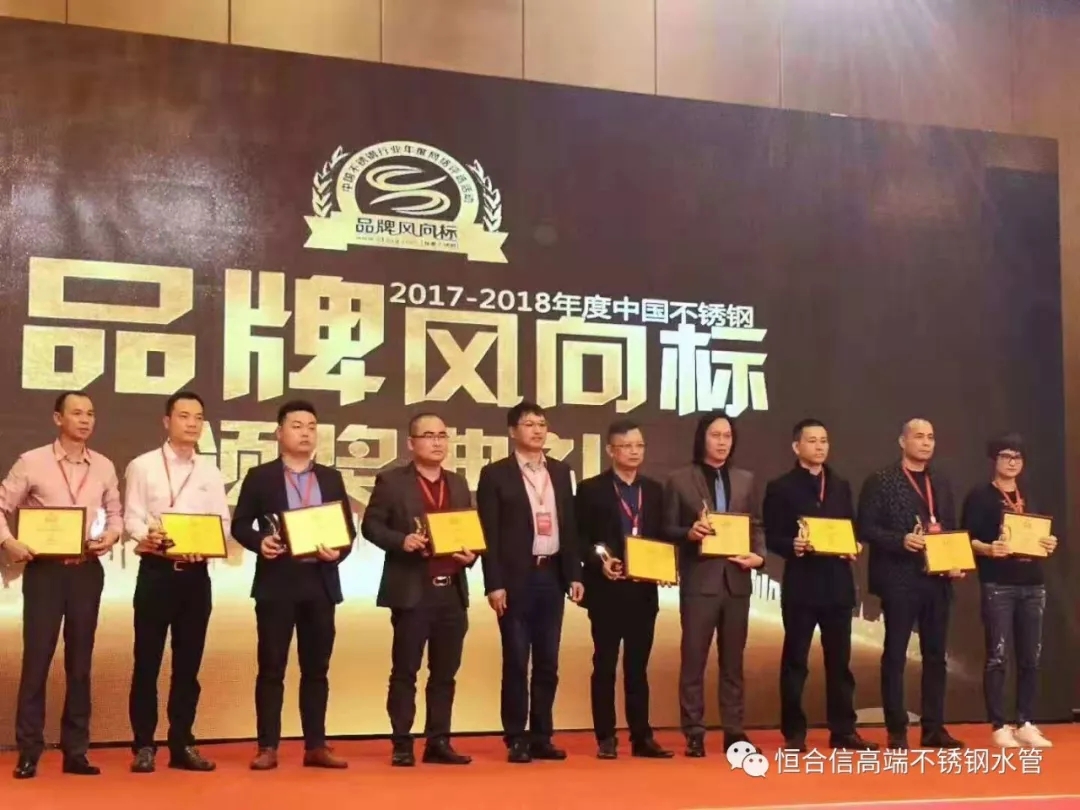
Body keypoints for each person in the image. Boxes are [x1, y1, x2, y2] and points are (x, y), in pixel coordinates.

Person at [0, 391, 123, 779]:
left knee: (80, 663)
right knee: (37, 660)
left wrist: (111, 537)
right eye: (77, 413)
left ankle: (76, 751)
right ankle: (29, 750)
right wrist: (9, 542)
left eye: (91, 413)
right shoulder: (32, 461)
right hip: (46, 572)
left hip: (86, 570)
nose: (85, 420)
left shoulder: (103, 465)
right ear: (58, 418)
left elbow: (116, 514)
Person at [231, 400, 354, 770]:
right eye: (297, 426)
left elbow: (347, 531)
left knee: (317, 669)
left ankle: (316, 745)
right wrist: (260, 542)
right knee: (272, 667)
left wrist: (338, 552)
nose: (306, 433)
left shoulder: (331, 478)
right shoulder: (260, 476)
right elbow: (240, 524)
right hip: (277, 584)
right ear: (279, 433)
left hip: (320, 583)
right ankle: (267, 746)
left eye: (312, 427)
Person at [362, 412, 477, 767]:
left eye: (442, 435)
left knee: (445, 673)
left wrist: (472, 555)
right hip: (412, 590)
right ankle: (402, 742)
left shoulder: (458, 483)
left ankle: (438, 741)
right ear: (411, 443)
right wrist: (402, 540)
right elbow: (371, 526)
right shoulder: (392, 482)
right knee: (405, 671)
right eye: (428, 436)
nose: (437, 442)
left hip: (451, 591)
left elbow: (468, 530)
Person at [123, 391, 230, 773]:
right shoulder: (143, 466)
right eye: (184, 416)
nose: (192, 423)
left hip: (195, 577)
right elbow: (131, 517)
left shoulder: (210, 472)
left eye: (198, 417)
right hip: (156, 573)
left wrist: (209, 546)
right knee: (147, 662)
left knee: (188, 665)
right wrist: (146, 535)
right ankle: (143, 745)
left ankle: (182, 743)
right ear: (167, 421)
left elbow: (223, 522)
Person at [477, 401, 584, 763]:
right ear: (512, 431)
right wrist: (494, 583)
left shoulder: (561, 471)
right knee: (516, 660)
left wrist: (574, 573)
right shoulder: (496, 474)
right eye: (529, 424)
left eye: (542, 424)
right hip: (515, 579)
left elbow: (569, 526)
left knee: (548, 662)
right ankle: (516, 737)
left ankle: (542, 735)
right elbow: (489, 533)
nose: (537, 430)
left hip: (551, 576)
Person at [762, 419, 876, 752]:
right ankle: (794, 734)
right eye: (812, 441)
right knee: (795, 662)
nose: (819, 446)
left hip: (838, 585)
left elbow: (851, 528)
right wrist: (792, 545)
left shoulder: (839, 485)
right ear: (796, 446)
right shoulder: (781, 487)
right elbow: (772, 536)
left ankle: (843, 731)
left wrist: (853, 545)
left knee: (840, 664)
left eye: (824, 440)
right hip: (802, 585)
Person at [662, 410, 765, 757]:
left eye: (727, 436)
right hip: (700, 581)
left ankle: (734, 731)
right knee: (694, 660)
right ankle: (694, 731)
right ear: (702, 438)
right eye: (715, 435)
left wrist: (759, 556)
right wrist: (689, 532)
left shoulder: (746, 479)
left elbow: (756, 525)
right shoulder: (679, 479)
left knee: (733, 663)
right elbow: (667, 528)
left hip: (737, 579)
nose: (722, 442)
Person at [856, 418, 964, 750]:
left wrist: (954, 560)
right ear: (902, 441)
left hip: (937, 579)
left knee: (936, 656)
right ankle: (897, 730)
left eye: (931, 437)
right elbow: (865, 528)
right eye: (919, 436)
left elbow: (948, 527)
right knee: (895, 655)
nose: (926, 442)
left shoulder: (940, 481)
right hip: (898, 579)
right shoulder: (881, 480)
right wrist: (900, 540)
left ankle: (934, 729)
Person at [575, 420, 673, 760]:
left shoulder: (655, 490)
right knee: (604, 664)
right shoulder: (591, 489)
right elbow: (580, 538)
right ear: (610, 450)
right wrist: (600, 560)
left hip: (643, 592)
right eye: (626, 446)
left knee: (637, 668)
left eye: (639, 446)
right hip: (606, 590)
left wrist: (665, 567)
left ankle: (642, 736)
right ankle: (605, 737)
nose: (634, 452)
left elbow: (662, 537)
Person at [961, 433, 1057, 748]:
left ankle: (1026, 721)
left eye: (1017, 457)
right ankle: (999, 725)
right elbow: (966, 539)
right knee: (998, 657)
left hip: (1033, 583)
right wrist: (989, 548)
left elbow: (1043, 532)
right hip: (998, 584)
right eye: (1006, 456)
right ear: (994, 460)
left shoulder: (1030, 494)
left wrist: (1049, 542)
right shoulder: (980, 495)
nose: (1012, 462)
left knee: (1031, 657)